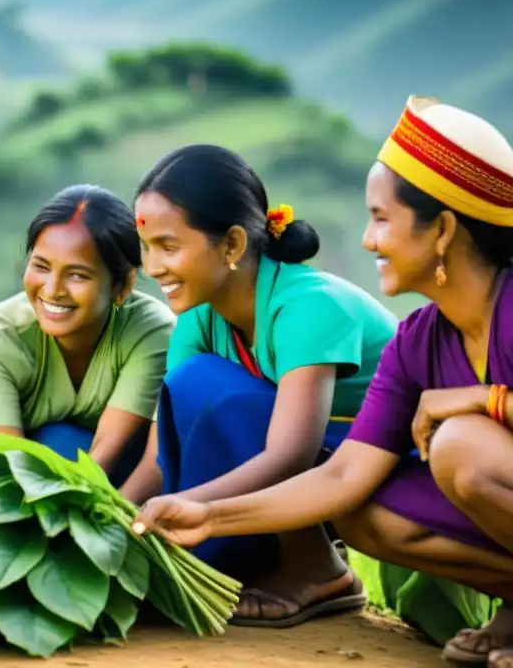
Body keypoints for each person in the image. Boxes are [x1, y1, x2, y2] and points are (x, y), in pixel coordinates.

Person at [131, 97, 513, 666]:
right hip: (454, 492)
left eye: (381, 218)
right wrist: (205, 514)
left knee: (462, 445)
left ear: (442, 230)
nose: (367, 239)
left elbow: (296, 452)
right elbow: (341, 474)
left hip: (468, 465)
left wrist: (484, 399)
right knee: (361, 510)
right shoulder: (416, 342)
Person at [120, 143, 398, 627]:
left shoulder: (309, 306)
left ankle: (318, 569)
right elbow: (159, 452)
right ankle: (262, 559)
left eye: (168, 246)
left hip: (370, 467)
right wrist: (118, 513)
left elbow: (291, 453)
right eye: (146, 248)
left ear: (231, 245)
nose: (152, 268)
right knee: (192, 386)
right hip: (295, 468)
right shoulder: (199, 315)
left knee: (208, 383)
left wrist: (194, 505)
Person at [0, 185, 173, 486]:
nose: (52, 290)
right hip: (33, 483)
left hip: (124, 480)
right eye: (41, 266)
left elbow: (107, 452)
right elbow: (9, 464)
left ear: (123, 287)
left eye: (77, 275)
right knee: (56, 441)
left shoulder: (150, 330)